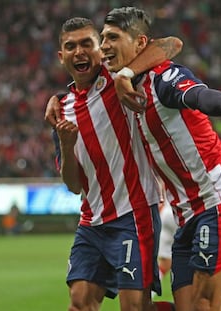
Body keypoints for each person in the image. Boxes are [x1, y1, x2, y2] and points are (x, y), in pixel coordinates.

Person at [99, 7, 221, 311]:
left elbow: (198, 94)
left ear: (139, 44)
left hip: (218, 201)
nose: (103, 45)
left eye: (112, 37)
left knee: (204, 306)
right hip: (185, 216)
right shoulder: (116, 83)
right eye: (102, 38)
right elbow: (169, 42)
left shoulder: (164, 78)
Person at [53, 16, 183, 311]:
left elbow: (172, 44)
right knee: (79, 303)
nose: (79, 52)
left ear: (100, 49)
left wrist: (126, 74)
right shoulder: (60, 110)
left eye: (87, 43)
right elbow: (74, 186)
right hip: (92, 221)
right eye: (70, 47)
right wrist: (66, 144)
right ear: (62, 56)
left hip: (133, 213)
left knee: (135, 307)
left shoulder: (116, 79)